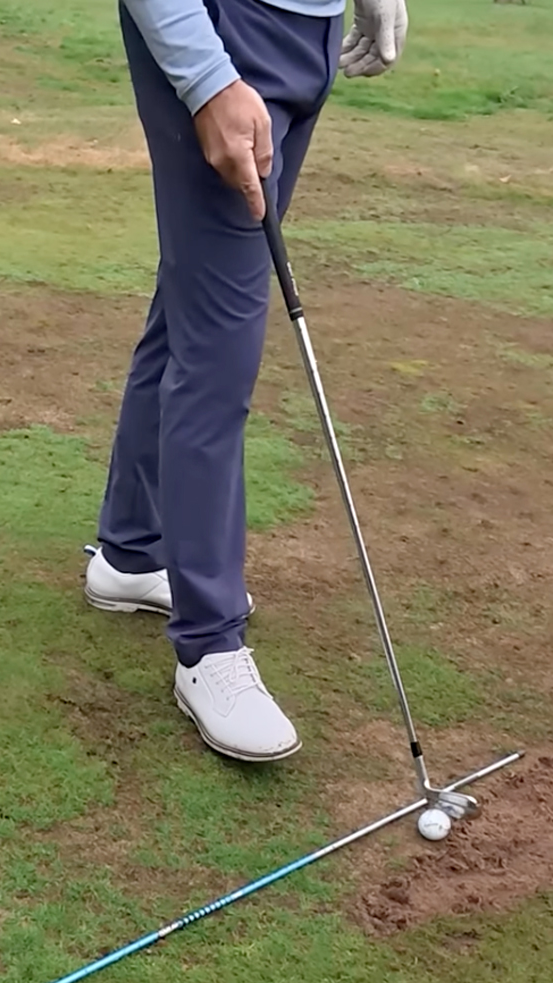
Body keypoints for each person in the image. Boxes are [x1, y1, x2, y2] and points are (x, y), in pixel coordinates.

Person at [82, 0, 407, 762]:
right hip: (224, 31)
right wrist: (203, 75)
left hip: (307, 31)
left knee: (193, 304)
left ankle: (130, 552)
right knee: (220, 351)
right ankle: (209, 647)